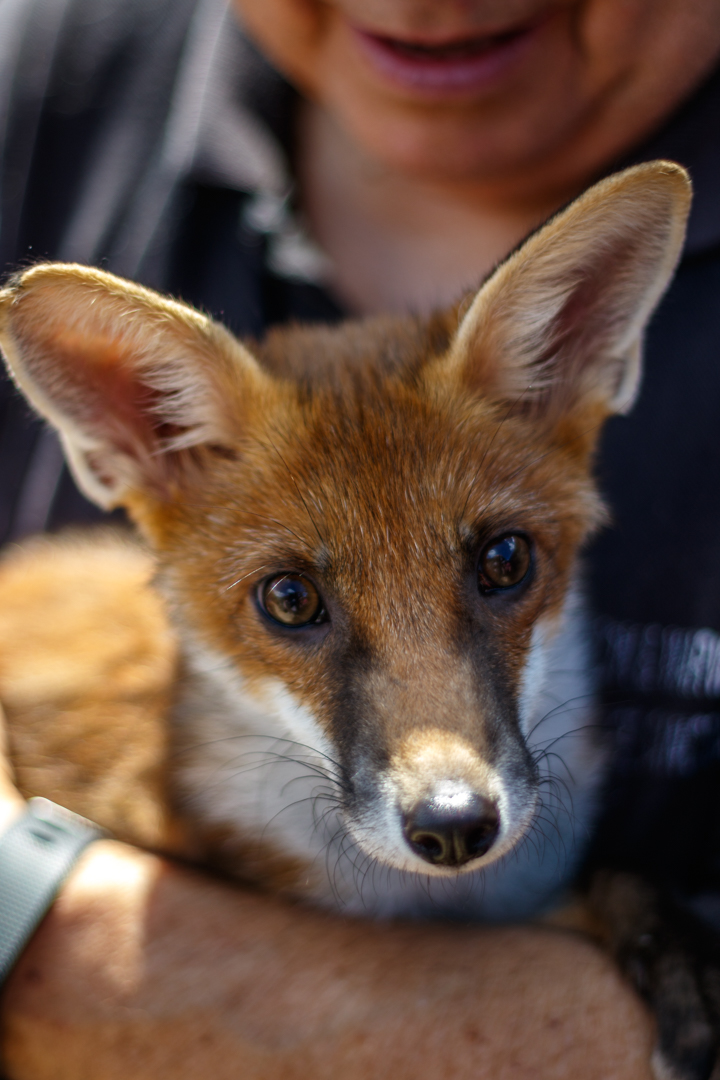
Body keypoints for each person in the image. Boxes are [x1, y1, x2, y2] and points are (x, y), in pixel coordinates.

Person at [1, 0, 720, 1074]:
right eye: (295, 603)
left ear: (570, 359)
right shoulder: (52, 78)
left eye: (499, 567)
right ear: (145, 447)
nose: (448, 779)